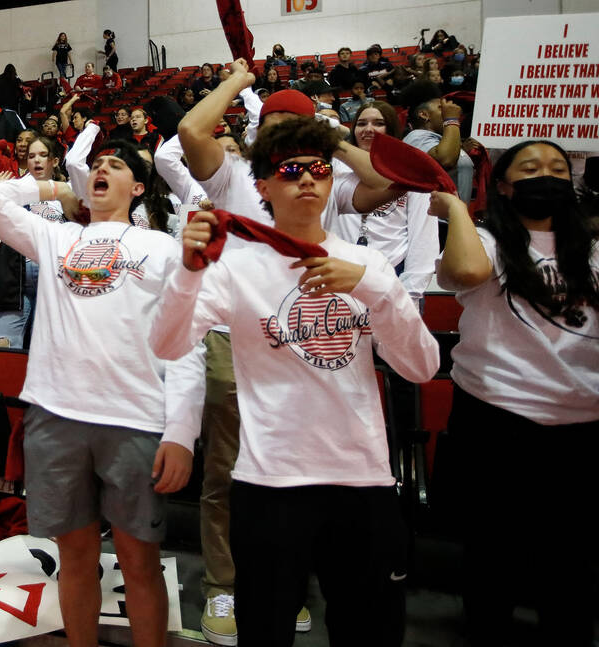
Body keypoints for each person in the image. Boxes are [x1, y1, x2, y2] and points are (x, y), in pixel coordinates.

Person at [151, 116, 439, 647]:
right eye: (290, 170)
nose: (307, 179)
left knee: (369, 633)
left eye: (318, 169)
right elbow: (167, 346)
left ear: (331, 181)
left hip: (363, 479)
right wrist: (187, 272)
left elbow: (421, 367)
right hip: (269, 483)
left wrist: (377, 287)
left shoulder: (366, 262)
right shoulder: (235, 269)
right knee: (265, 633)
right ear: (262, 187)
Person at [0, 139, 202, 647]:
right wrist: (56, 186)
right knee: (73, 561)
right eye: (96, 165)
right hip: (55, 416)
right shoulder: (57, 238)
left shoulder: (163, 246)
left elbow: (188, 341)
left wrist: (183, 431)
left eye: (115, 166)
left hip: (136, 419)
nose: (102, 170)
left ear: (138, 189)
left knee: (139, 562)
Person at [436, 140, 598, 647]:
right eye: (529, 169)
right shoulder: (484, 240)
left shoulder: (591, 249)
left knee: (572, 569)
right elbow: (463, 273)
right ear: (504, 184)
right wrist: (459, 212)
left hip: (581, 425)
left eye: (556, 168)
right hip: (497, 420)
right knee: (492, 562)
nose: (545, 176)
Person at [325, 102, 439, 296]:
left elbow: (423, 236)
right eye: (361, 124)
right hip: (341, 271)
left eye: (378, 123)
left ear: (392, 128)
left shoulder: (409, 170)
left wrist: (410, 292)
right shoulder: (334, 166)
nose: (368, 129)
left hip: (394, 271)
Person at [0, 136, 79, 348]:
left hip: (56, 274)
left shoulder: (68, 192)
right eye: (31, 156)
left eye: (43, 155)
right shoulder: (13, 189)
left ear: (55, 161)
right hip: (16, 273)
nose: (36, 160)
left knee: (51, 346)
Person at [402, 82, 473, 202]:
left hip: (454, 216)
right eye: (441, 108)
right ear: (424, 114)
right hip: (434, 218)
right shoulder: (416, 136)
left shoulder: (440, 140)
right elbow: (445, 160)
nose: (449, 110)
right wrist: (451, 119)